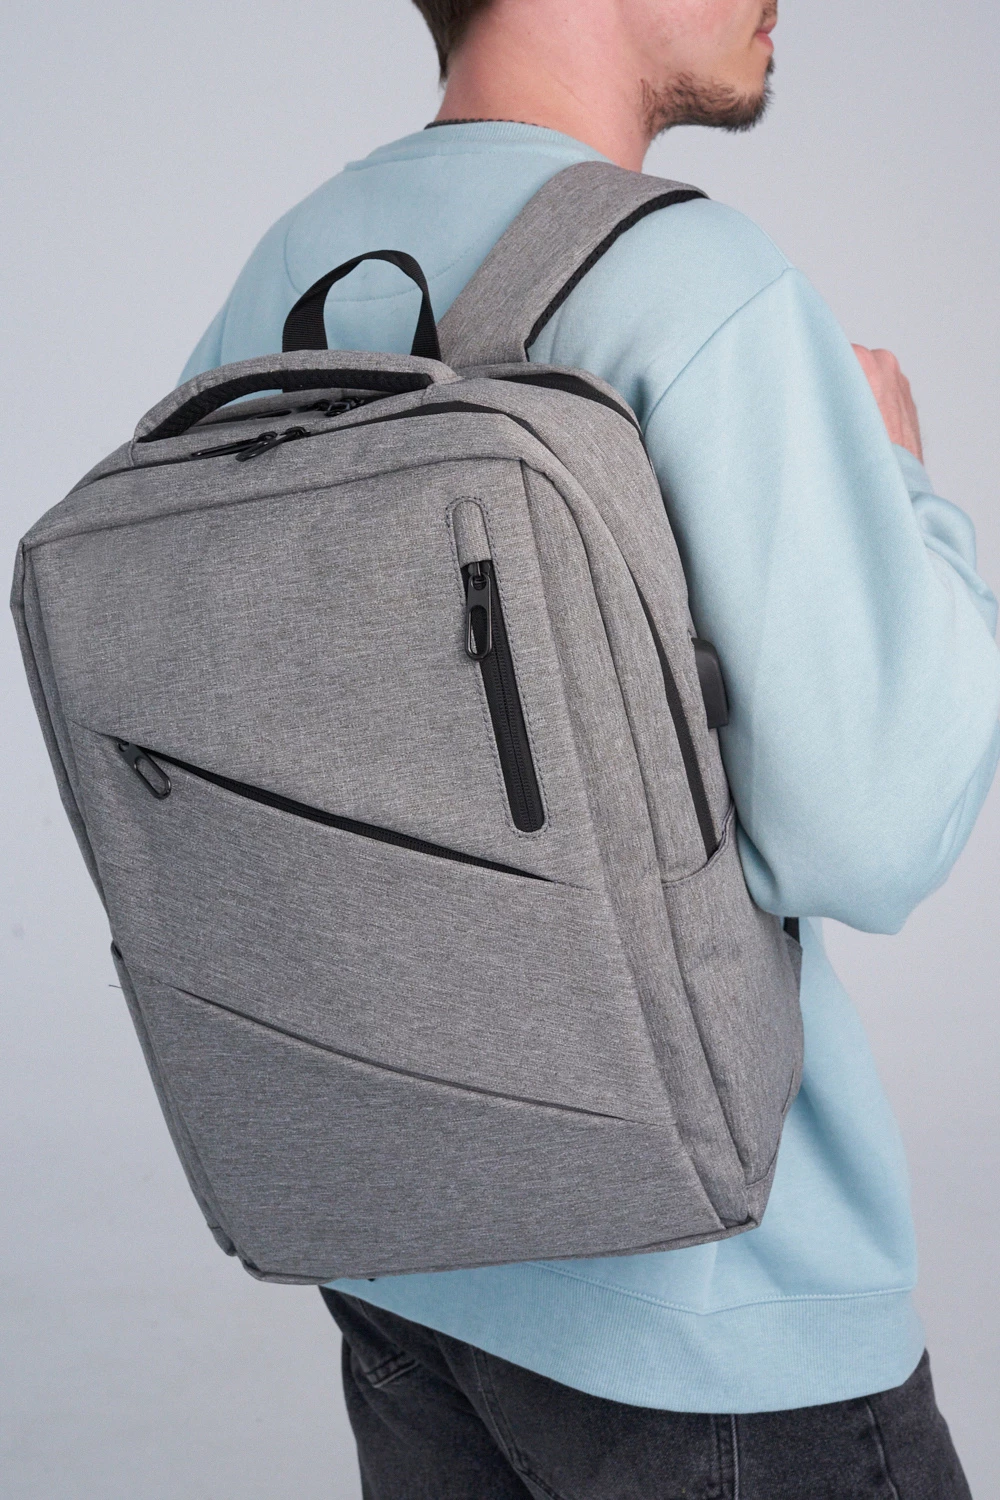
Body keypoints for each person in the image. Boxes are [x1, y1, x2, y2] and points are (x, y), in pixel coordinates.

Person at [181, 1, 1000, 1494]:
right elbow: (877, 828)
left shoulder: (290, 265)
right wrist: (907, 496)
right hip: (706, 1313)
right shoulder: (697, 286)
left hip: (401, 1257)